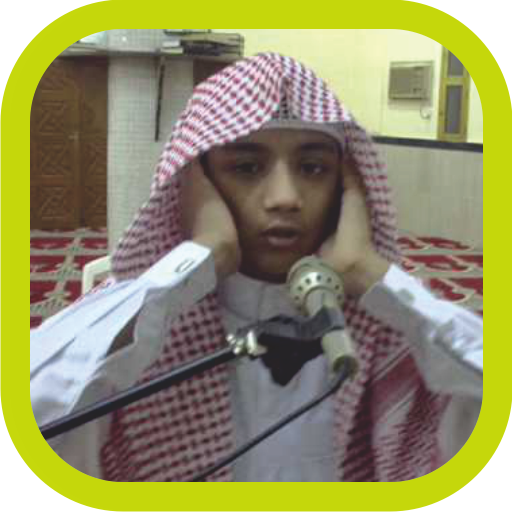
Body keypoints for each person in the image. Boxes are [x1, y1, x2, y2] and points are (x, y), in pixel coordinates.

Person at [30, 53, 483, 482]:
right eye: (246, 167)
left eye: (313, 168)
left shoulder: (391, 326)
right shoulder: (140, 328)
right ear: (197, 184)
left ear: (346, 187)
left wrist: (366, 273)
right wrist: (196, 263)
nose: (285, 197)